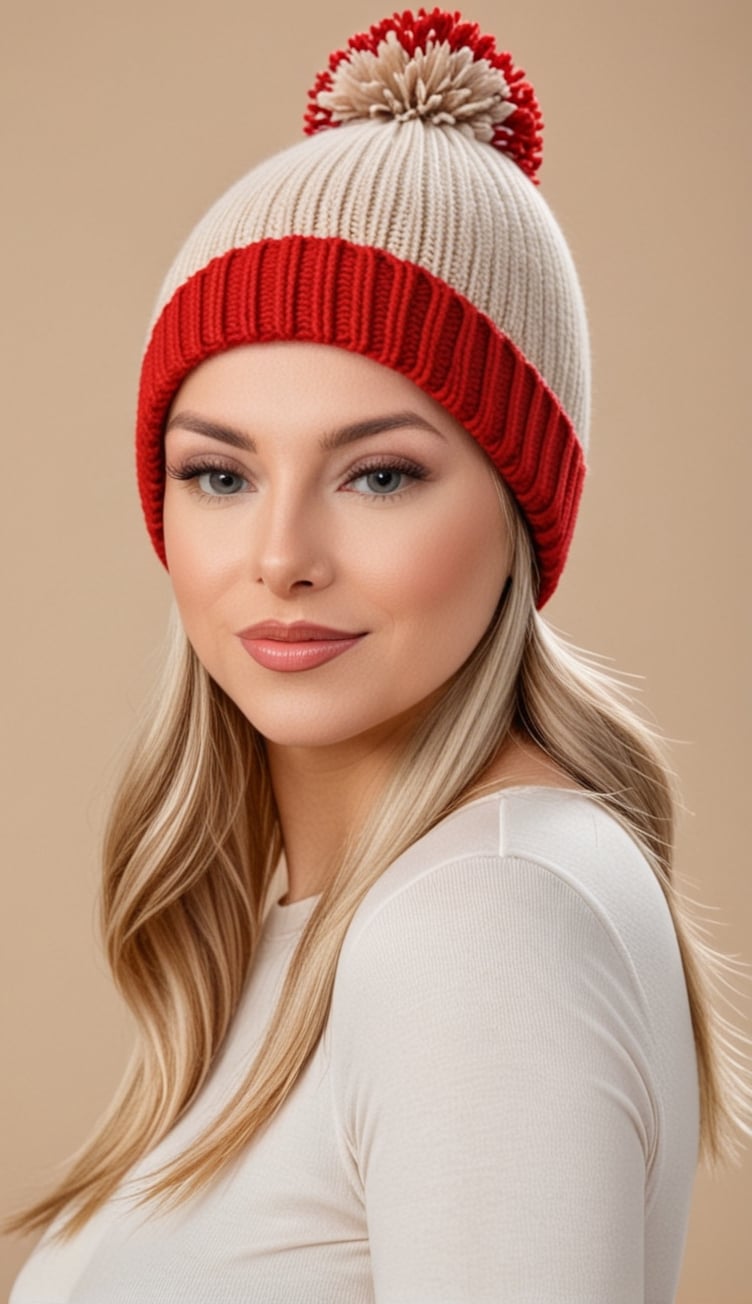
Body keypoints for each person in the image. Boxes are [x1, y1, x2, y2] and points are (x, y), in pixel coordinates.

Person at [7, 7, 751, 1301]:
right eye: (221, 472)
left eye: (382, 472)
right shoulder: (341, 916)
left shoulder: (487, 923)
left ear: (518, 510)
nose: (281, 553)